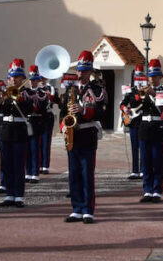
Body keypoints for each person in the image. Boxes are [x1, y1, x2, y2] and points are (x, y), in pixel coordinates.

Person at [63, 50, 107, 224]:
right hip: (73, 135)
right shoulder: (70, 89)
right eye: (79, 70)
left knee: (86, 173)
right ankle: (76, 208)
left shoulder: (98, 89)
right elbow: (63, 113)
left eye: (84, 71)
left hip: (88, 134)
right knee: (73, 174)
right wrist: (63, 127)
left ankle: (88, 209)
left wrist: (84, 110)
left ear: (90, 72)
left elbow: (102, 113)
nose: (80, 73)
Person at [0, 59, 33, 208]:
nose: (13, 79)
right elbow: (0, 110)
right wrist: (5, 96)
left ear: (22, 78)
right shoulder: (5, 92)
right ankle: (9, 194)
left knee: (18, 165)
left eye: (16, 77)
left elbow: (31, 109)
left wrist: (20, 99)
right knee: (7, 164)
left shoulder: (28, 93)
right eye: (11, 77)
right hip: (6, 130)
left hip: (19, 130)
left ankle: (19, 196)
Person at [136, 58, 163, 203]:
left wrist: (153, 94)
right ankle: (147, 190)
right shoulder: (142, 90)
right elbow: (134, 105)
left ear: (160, 77)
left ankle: (157, 190)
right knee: (145, 161)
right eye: (151, 77)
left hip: (157, 127)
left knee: (157, 160)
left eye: (155, 77)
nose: (152, 79)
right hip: (144, 127)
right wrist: (139, 96)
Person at [25, 65, 52, 182]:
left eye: (34, 80)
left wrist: (34, 107)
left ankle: (35, 173)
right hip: (26, 121)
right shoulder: (24, 92)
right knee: (27, 149)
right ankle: (28, 172)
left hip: (36, 122)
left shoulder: (42, 93)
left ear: (38, 80)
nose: (32, 82)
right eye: (30, 80)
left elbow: (43, 107)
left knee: (35, 148)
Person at [120, 64, 144, 180]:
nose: (138, 79)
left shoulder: (147, 89)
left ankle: (143, 170)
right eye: (136, 76)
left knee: (143, 146)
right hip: (134, 122)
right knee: (134, 146)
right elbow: (123, 103)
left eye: (140, 76)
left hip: (144, 121)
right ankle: (135, 170)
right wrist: (125, 109)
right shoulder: (130, 90)